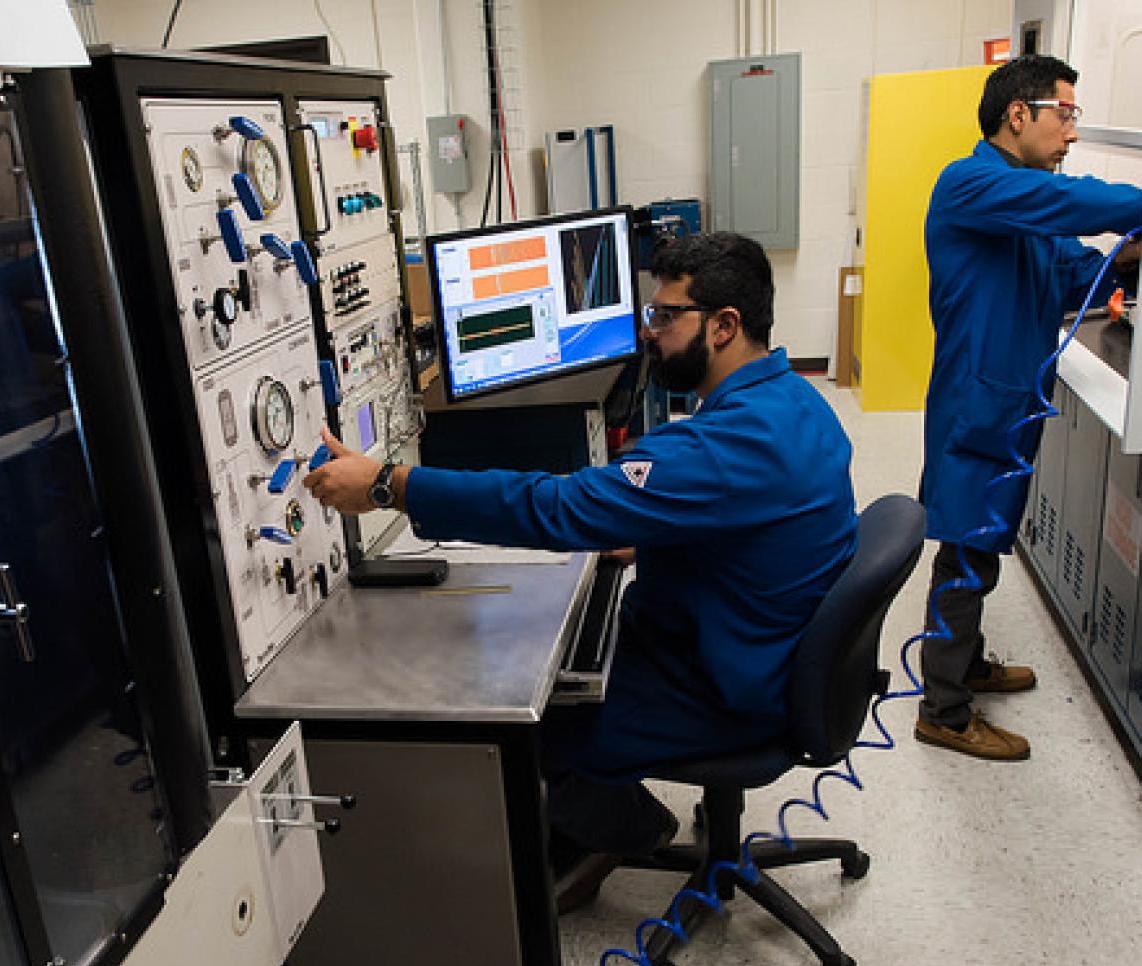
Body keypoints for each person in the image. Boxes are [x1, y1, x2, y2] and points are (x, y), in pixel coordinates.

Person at [305, 231, 857, 906]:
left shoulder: (724, 443)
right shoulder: (798, 400)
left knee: (525, 716)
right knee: (565, 645)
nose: (648, 332)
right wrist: (649, 533)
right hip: (763, 650)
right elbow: (751, 530)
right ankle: (621, 819)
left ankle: (618, 833)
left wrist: (391, 484)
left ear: (724, 326)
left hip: (727, 689)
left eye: (663, 315)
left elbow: (558, 508)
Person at [915, 55, 1142, 761]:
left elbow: (1071, 269)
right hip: (975, 405)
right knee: (965, 550)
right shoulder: (971, 182)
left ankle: (967, 662)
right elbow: (1075, 206)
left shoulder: (1024, 201)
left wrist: (1127, 262)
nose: (1072, 132)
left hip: (1009, 406)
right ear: (1021, 113)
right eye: (1067, 114)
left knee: (980, 546)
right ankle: (944, 710)